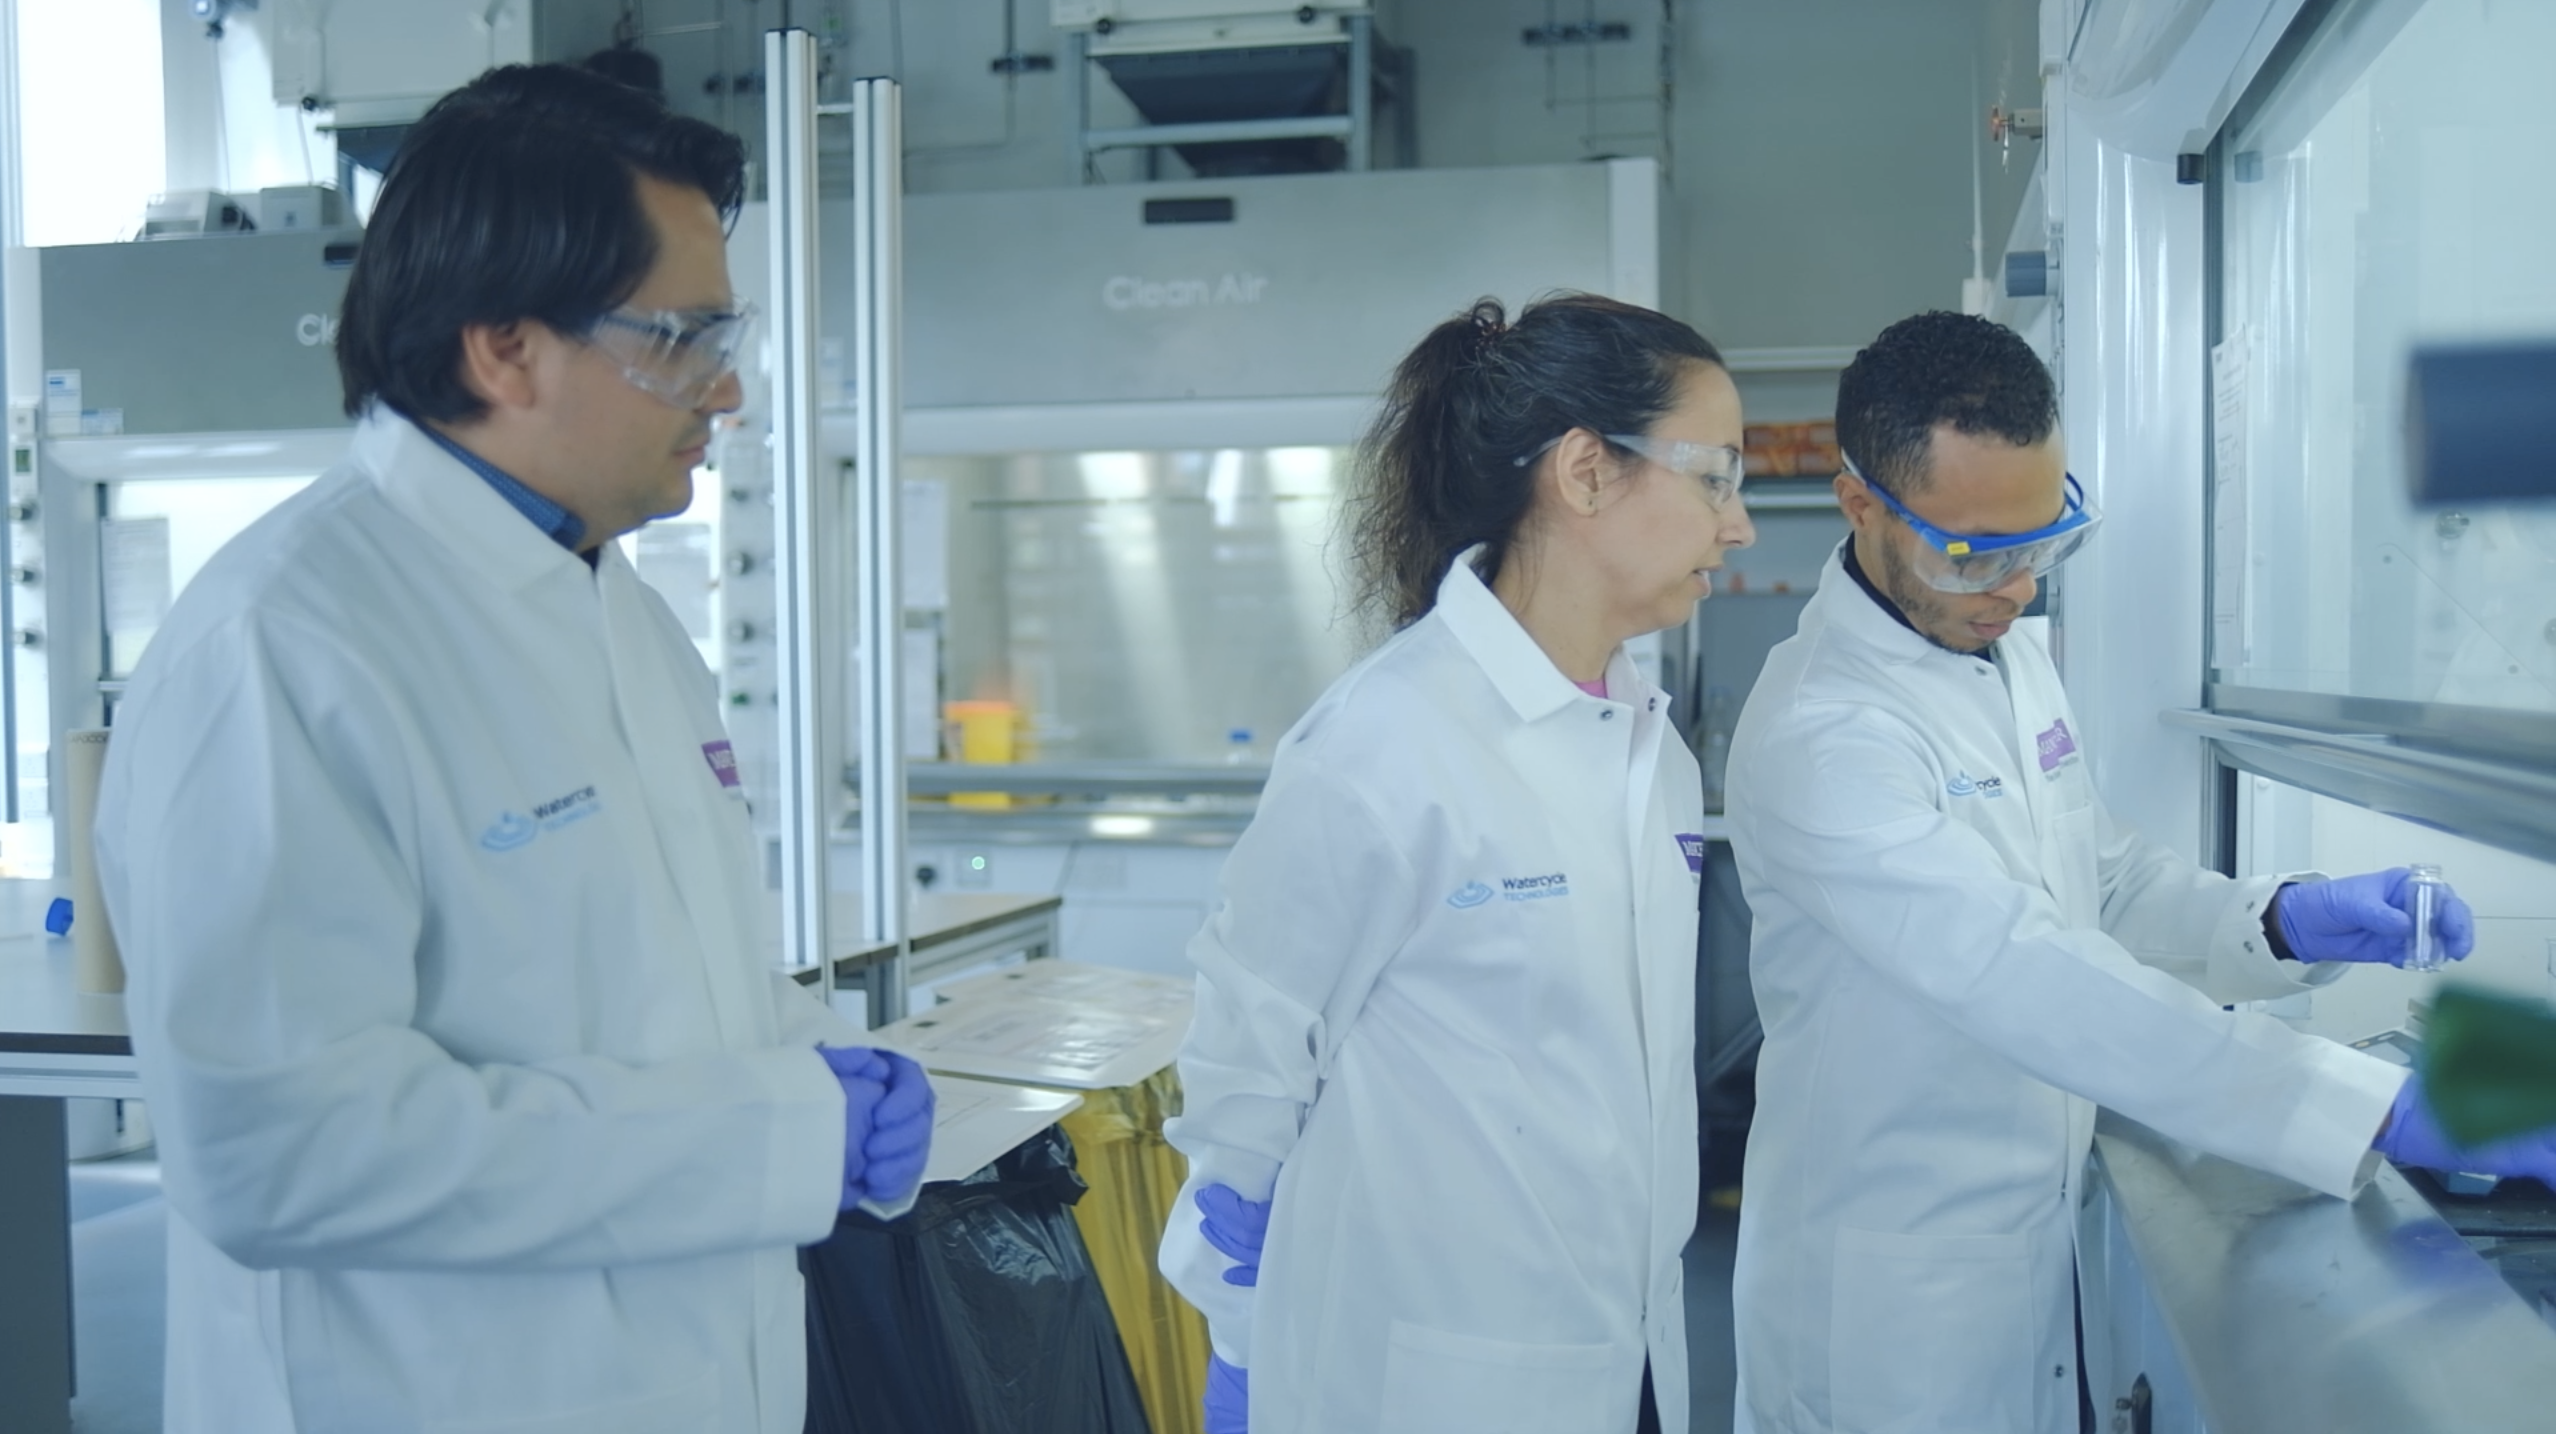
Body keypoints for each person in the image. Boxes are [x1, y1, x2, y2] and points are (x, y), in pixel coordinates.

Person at [93, 65, 933, 1434]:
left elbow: (656, 991)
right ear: (505, 347)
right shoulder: (290, 642)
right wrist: (774, 1137)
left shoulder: (627, 617)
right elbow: (281, 1150)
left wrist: (817, 1058)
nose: (724, 388)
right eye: (680, 335)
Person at [1723, 310, 2556, 1434]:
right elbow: (2030, 973)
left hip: (2032, 1249)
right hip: (1898, 1296)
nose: (2015, 587)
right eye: (1973, 551)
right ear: (1862, 503)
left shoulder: (1999, 650)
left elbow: (2098, 883)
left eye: (2043, 541)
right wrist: (2378, 1108)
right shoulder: (1824, 736)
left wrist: (2278, 923)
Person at [1158, 293, 1757, 1434]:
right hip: (1418, 1378)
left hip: (1624, 1359)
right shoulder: (1387, 744)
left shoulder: (1651, 753)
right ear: (1586, 472)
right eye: (1714, 477)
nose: (1737, 527)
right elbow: (1247, 1077)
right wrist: (1242, 1332)